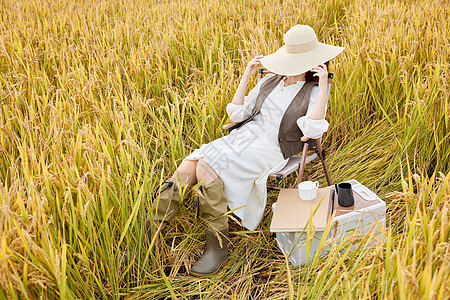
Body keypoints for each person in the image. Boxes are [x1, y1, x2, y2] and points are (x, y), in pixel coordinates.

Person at [149, 24, 345, 276]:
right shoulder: (271, 80)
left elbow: (313, 130)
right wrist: (247, 74)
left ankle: (218, 245)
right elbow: (238, 113)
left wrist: (325, 83)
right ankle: (152, 227)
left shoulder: (314, 90)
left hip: (273, 147)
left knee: (206, 165)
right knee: (191, 163)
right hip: (245, 136)